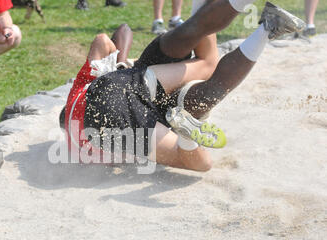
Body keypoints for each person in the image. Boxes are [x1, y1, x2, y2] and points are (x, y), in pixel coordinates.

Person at [60, 0, 305, 172]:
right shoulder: (78, 93)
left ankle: (267, 29)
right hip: (118, 86)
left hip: (114, 124)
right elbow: (108, 37)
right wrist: (122, 64)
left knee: (201, 162)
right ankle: (261, 21)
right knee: (205, 63)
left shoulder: (77, 141)